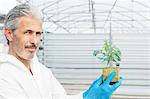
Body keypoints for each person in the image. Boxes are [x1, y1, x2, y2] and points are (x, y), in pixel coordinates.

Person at [0, 4, 122, 99]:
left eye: (38, 33)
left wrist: (85, 96)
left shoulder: (42, 71)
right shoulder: (4, 74)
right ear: (9, 34)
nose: (35, 41)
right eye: (28, 32)